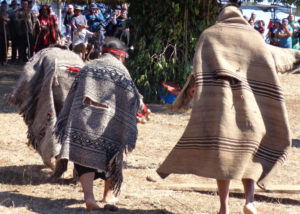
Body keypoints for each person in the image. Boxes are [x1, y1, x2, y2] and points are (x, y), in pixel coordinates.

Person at [157, 1, 299, 214]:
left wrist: (187, 93)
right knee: (250, 153)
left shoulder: (210, 35)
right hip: (250, 107)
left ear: (221, 15)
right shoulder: (254, 37)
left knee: (223, 155)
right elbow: (272, 57)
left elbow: (199, 67)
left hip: (220, 107)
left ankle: (224, 208)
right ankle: (249, 202)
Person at [54, 37, 144, 211]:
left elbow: (72, 95)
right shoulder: (121, 71)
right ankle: (108, 196)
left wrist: (69, 118)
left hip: (83, 120)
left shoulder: (88, 67)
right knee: (112, 154)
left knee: (83, 158)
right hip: (110, 122)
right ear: (121, 56)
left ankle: (89, 197)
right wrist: (140, 108)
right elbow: (133, 98)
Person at [8, 47, 85, 169]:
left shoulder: (43, 54)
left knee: (53, 118)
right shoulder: (74, 56)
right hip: (76, 82)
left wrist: (23, 93)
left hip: (55, 80)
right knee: (73, 122)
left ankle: (59, 157)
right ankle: (77, 168)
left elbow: (28, 73)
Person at [0, 0, 9, 65]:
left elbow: (10, 20)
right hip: (0, 31)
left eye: (5, 6)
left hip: (6, 32)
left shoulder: (7, 13)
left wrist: (6, 19)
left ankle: (5, 58)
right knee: (0, 46)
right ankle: (1, 59)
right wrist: (1, 18)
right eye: (3, 6)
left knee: (6, 45)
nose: (4, 7)